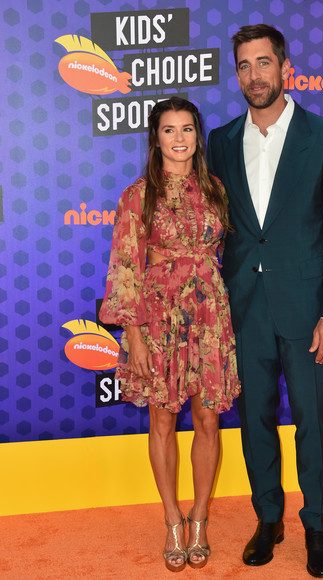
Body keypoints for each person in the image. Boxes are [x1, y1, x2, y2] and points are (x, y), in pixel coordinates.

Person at [207, 25, 323, 577]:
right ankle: (268, 517)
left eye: (264, 63)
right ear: (237, 75)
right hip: (244, 308)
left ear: (285, 68)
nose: (255, 75)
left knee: (313, 422)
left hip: (308, 310)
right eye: (244, 66)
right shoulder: (221, 141)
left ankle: (315, 525)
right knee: (255, 420)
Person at [99, 96, 241, 572]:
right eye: (169, 130)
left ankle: (199, 517)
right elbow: (124, 266)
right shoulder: (138, 195)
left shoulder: (216, 188)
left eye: (187, 129)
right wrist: (135, 335)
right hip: (158, 318)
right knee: (161, 421)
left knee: (208, 420)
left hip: (208, 315)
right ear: (155, 138)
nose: (179, 139)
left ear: (197, 135)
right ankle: (172, 520)